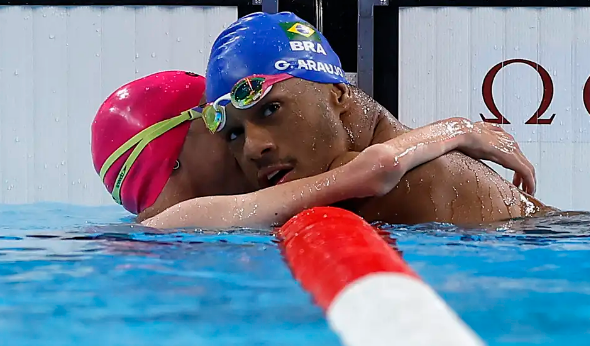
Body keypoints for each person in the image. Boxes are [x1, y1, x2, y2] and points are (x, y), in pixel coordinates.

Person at [203, 11, 555, 226]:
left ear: (338, 94)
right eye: (233, 133)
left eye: (270, 109)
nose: (253, 148)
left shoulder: (415, 180)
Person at [91, 71, 538, 230]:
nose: (251, 145)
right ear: (179, 154)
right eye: (224, 127)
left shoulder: (159, 234)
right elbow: (372, 170)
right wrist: (458, 130)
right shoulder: (185, 222)